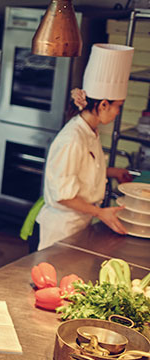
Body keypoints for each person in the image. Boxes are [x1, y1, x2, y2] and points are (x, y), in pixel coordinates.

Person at [36, 43, 135, 250]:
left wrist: (112, 172)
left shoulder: (90, 130)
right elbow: (63, 195)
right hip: (62, 229)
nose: (118, 112)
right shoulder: (72, 139)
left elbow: (81, 171)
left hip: (79, 223)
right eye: (118, 106)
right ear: (104, 104)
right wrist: (100, 213)